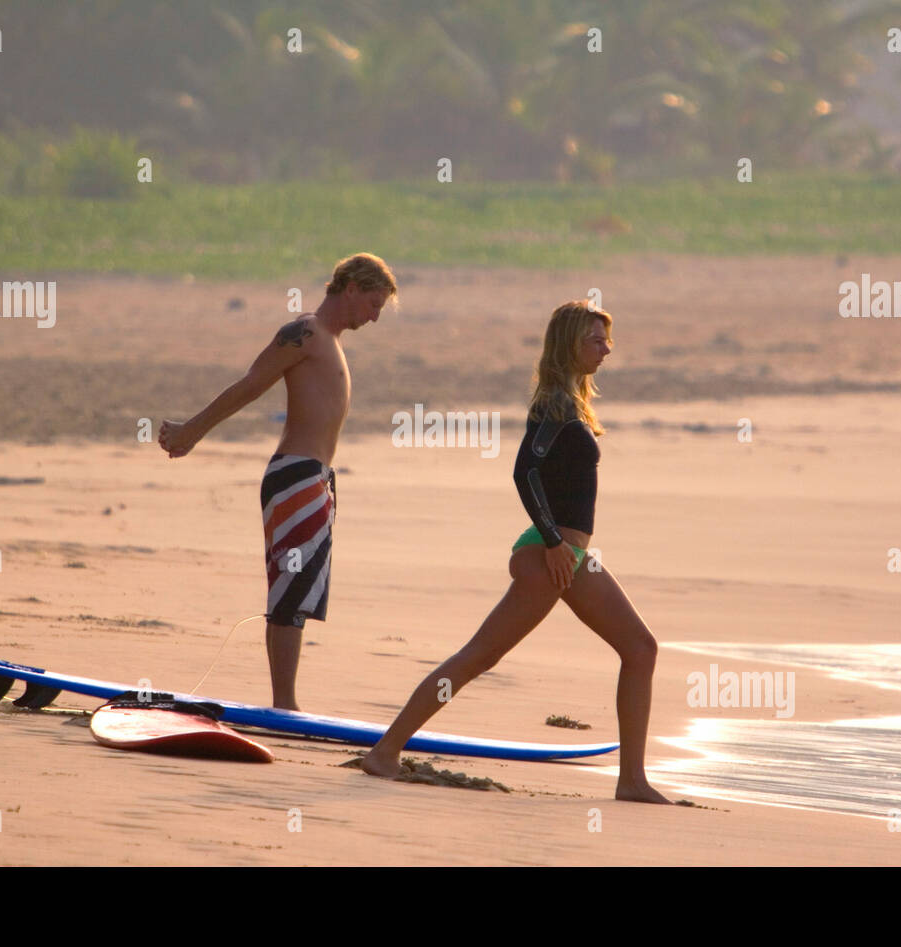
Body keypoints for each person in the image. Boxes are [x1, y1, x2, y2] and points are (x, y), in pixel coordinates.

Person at [362, 300, 671, 804]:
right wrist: (551, 542)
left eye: (607, 340)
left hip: (566, 554)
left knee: (640, 649)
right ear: (571, 343)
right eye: (597, 339)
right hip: (549, 554)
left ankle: (632, 780)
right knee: (480, 655)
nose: (607, 349)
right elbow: (523, 472)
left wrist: (559, 546)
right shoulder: (554, 403)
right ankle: (385, 752)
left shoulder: (570, 400)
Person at [158, 253, 398, 710]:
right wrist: (192, 430)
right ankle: (283, 704)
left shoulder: (328, 340)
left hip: (314, 479)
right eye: (372, 304)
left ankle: (284, 701)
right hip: (295, 478)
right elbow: (252, 383)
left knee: (301, 590)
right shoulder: (306, 332)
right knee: (291, 589)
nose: (374, 316)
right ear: (349, 289)